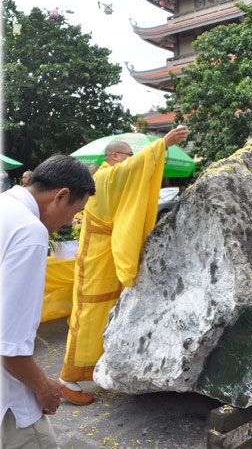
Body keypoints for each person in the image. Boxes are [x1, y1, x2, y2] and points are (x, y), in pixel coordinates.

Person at [59, 127, 189, 405]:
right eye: (129, 155)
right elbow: (130, 171)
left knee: (107, 311)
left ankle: (100, 368)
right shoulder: (105, 175)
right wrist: (161, 144)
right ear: (116, 156)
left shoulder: (107, 175)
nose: (132, 159)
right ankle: (66, 380)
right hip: (96, 259)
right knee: (89, 314)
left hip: (106, 254)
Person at [0, 154, 95, 448]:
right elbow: (9, 348)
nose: (71, 221)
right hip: (10, 400)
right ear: (61, 195)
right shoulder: (30, 232)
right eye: (75, 211)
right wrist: (46, 388)